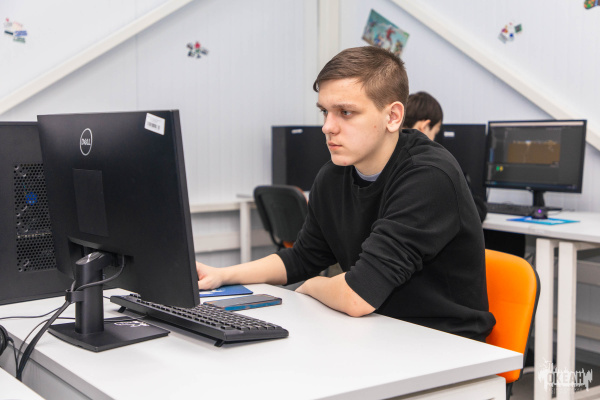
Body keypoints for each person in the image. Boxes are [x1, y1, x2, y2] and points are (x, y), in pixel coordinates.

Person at [196, 46, 495, 341]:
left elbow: (357, 296)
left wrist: (312, 286)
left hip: (444, 342)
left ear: (393, 116)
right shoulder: (334, 174)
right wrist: (223, 275)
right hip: (375, 329)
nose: (327, 127)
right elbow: (301, 257)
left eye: (346, 112)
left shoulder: (428, 175)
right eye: (324, 112)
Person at [402, 91, 488, 221]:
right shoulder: (429, 169)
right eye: (435, 132)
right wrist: (481, 204)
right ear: (424, 127)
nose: (434, 139)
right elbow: (472, 214)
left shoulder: (390, 160)